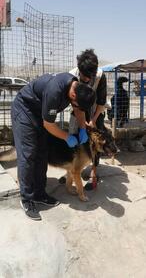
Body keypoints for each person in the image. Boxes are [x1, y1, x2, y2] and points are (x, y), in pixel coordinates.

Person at [11, 72, 95, 220]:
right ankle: (27, 199)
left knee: (42, 153)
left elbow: (79, 110)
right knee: (28, 153)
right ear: (73, 97)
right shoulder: (54, 92)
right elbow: (49, 124)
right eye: (77, 104)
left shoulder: (77, 87)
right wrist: (67, 137)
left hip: (40, 113)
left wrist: (83, 129)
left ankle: (39, 193)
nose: (77, 107)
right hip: (25, 111)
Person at [67, 49, 107, 190]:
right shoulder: (72, 76)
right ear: (79, 70)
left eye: (91, 76)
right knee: (73, 139)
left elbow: (101, 101)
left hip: (95, 110)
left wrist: (94, 120)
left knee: (97, 143)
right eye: (85, 76)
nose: (88, 79)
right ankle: (71, 171)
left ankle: (93, 173)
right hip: (76, 111)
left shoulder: (100, 75)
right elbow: (71, 103)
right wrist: (81, 122)